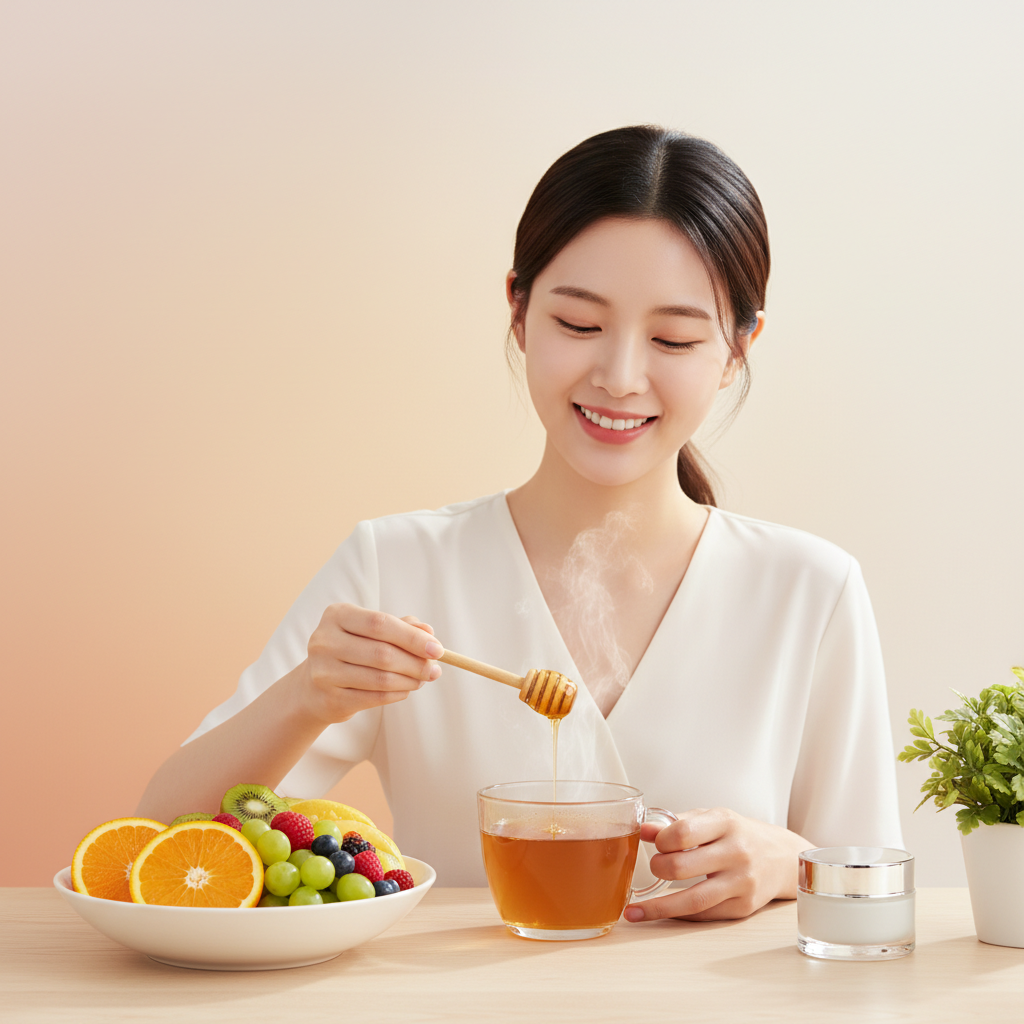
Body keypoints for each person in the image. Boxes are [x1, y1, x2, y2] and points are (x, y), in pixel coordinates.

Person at [137, 126, 902, 922]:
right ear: (519, 308)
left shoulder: (810, 589)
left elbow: (879, 896)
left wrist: (792, 863)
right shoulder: (395, 565)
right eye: (579, 325)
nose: (620, 376)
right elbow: (162, 843)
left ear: (740, 345)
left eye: (673, 338)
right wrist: (304, 697)